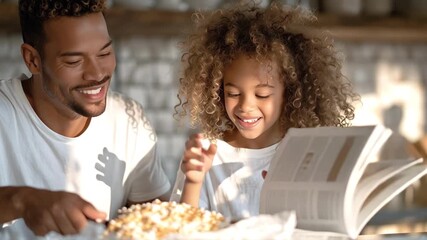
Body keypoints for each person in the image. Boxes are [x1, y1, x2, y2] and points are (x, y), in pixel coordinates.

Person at [170, 2, 359, 220]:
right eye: (232, 94)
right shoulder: (209, 156)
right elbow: (179, 230)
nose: (245, 107)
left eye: (262, 95)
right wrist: (193, 181)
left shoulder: (307, 155)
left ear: (289, 93)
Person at [0, 0, 171, 238]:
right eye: (74, 61)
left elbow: (161, 222)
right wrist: (22, 201)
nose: (97, 73)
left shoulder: (128, 119)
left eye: (105, 53)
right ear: (33, 60)